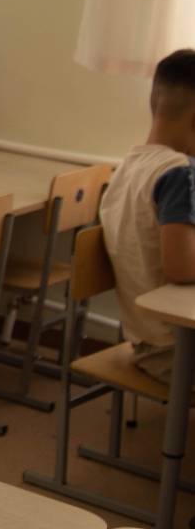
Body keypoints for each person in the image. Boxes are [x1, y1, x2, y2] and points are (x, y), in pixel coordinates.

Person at [102, 48, 195, 382]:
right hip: (177, 350)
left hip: (147, 341)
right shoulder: (179, 173)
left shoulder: (129, 167)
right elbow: (181, 269)